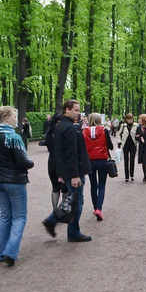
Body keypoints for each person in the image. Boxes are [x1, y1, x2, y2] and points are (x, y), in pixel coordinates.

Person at [0, 106, 34, 267]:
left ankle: (1, 253)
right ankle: (11, 252)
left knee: (5, 216)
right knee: (19, 217)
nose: (16, 119)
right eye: (14, 116)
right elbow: (23, 161)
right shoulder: (13, 137)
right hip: (15, 181)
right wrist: (31, 162)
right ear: (6, 117)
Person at [42, 99, 92, 242]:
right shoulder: (69, 128)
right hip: (74, 172)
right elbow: (71, 154)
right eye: (76, 110)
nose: (78, 113)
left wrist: (62, 173)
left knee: (72, 200)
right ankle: (70, 230)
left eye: (78, 110)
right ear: (67, 110)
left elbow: (59, 152)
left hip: (67, 171)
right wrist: (75, 175)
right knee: (76, 202)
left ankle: (56, 222)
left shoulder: (61, 126)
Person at [83, 113, 113, 221]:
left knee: (93, 185)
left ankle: (95, 207)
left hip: (90, 161)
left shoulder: (84, 131)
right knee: (101, 185)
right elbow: (110, 146)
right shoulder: (104, 130)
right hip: (102, 160)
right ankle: (99, 209)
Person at [45, 113, 68, 211]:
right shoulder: (63, 133)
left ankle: (55, 208)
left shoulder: (49, 134)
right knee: (65, 188)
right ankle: (63, 208)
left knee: (55, 187)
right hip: (62, 162)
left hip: (52, 161)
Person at [118, 113, 137, 182]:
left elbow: (138, 134)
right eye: (128, 119)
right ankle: (126, 176)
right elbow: (118, 134)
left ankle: (132, 175)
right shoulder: (123, 126)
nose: (130, 120)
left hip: (133, 145)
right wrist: (119, 142)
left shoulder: (136, 125)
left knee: (132, 159)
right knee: (126, 160)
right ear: (126, 119)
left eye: (131, 119)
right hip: (125, 145)